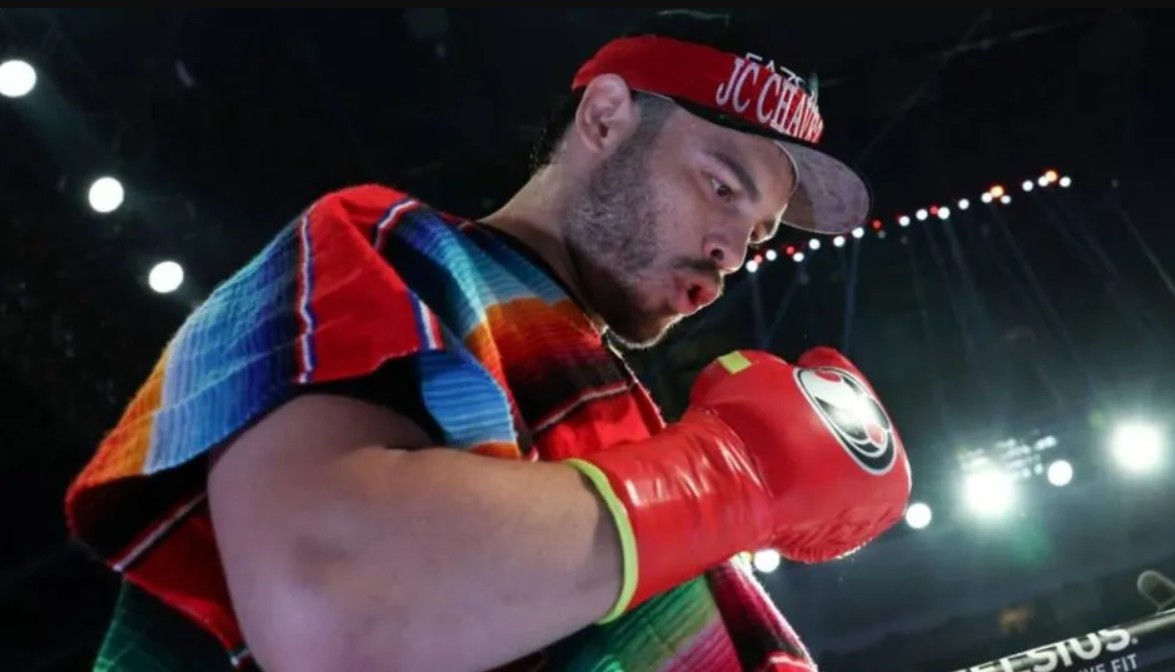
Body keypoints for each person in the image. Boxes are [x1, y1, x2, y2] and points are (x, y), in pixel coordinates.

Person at [66, 9, 911, 672]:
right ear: (607, 117)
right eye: (720, 186)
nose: (733, 251)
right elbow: (338, 607)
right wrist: (737, 473)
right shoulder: (384, 244)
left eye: (758, 235)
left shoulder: (629, 413)